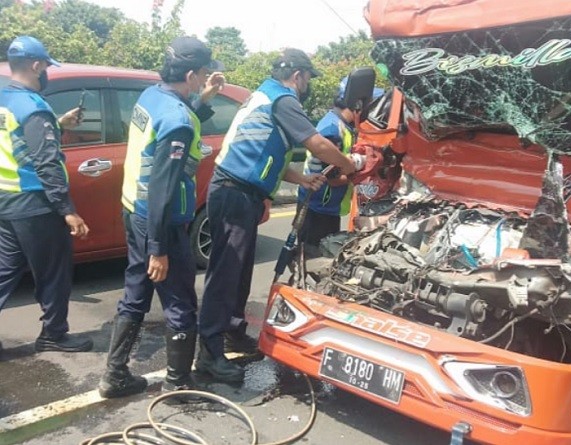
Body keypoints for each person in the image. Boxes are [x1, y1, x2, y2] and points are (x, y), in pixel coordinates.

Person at [197, 48, 359, 383]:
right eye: (308, 78)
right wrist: (352, 165)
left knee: (239, 270)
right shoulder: (284, 100)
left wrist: (301, 179)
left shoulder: (265, 93)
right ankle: (209, 354)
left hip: (242, 192)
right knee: (225, 273)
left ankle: (232, 331)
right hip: (234, 192)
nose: (308, 85)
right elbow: (317, 144)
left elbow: (267, 151)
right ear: (298, 76)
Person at [98, 36, 226, 399]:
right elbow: (162, 186)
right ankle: (178, 383)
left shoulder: (151, 96)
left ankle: (115, 375)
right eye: (203, 74)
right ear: (190, 73)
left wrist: (205, 98)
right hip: (162, 222)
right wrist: (159, 248)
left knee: (136, 293)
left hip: (134, 212)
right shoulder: (177, 120)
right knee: (181, 302)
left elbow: (178, 117)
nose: (204, 79)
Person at [0, 35, 93, 357]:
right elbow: (46, 163)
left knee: (6, 270)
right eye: (45, 67)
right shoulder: (34, 107)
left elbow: (17, 140)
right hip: (35, 204)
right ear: (36, 65)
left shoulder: (5, 98)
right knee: (54, 272)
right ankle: (54, 334)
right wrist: (68, 209)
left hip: (7, 199)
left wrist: (58, 122)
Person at [297, 77, 382, 250]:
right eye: (371, 105)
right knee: (315, 259)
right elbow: (332, 179)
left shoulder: (341, 124)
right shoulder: (332, 130)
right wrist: (366, 173)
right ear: (358, 104)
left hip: (326, 207)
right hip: (318, 209)